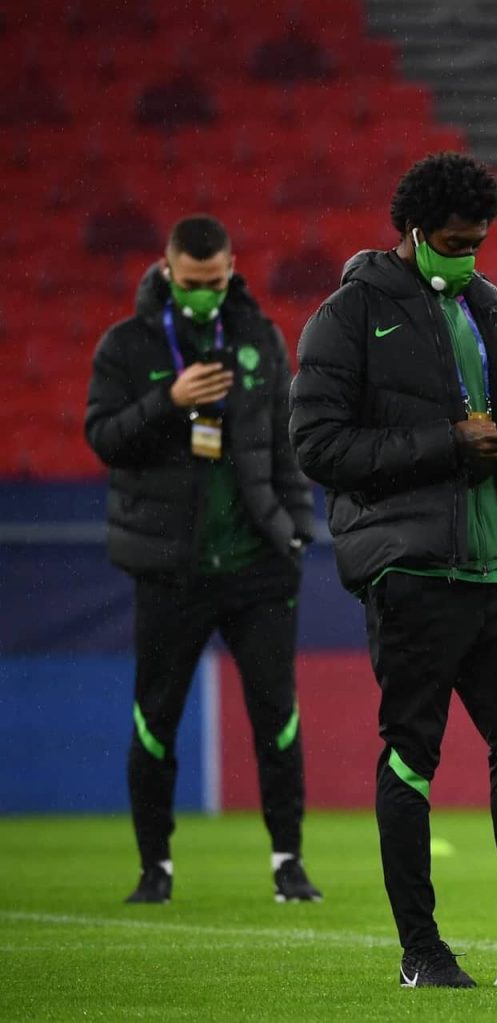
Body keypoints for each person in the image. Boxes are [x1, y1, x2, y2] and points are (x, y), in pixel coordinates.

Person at [290, 153, 497, 990]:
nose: (467, 256)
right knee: (414, 753)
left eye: (477, 242)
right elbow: (318, 446)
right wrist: (449, 443)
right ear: (412, 232)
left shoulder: (482, 305)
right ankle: (423, 951)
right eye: (452, 242)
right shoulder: (349, 315)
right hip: (411, 569)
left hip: (495, 563)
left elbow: (481, 427)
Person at [85, 215, 320, 906]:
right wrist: (169, 400)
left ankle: (288, 862)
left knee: (277, 718)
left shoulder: (257, 336)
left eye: (215, 281)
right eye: (192, 282)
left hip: (257, 564)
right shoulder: (127, 346)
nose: (204, 292)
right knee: (155, 719)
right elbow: (104, 437)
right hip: (170, 568)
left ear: (231, 269)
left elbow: (283, 443)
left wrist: (297, 531)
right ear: (167, 270)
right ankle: (154, 867)